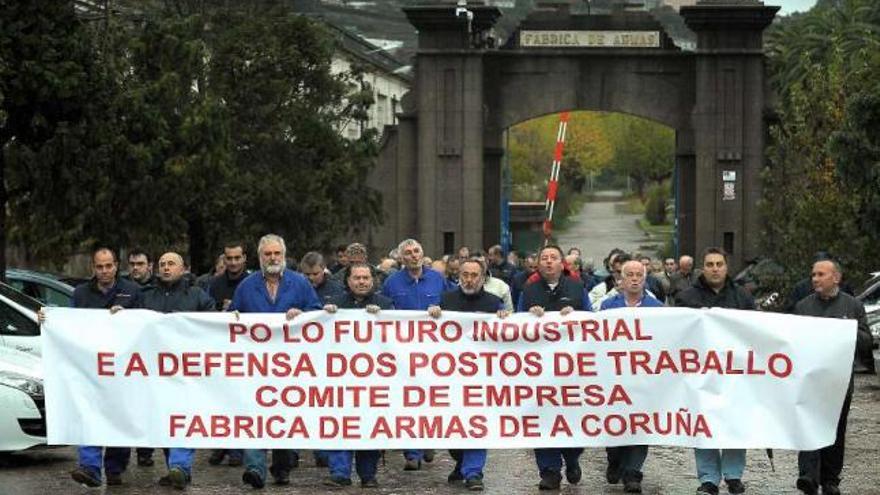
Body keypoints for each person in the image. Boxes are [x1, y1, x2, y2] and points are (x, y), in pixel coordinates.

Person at [232, 234, 322, 489]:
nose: (272, 258)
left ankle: (281, 467)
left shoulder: (300, 283)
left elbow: (317, 315)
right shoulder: (247, 286)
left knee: (283, 416)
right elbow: (231, 318)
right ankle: (255, 469)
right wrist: (234, 317)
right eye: (267, 254)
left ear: (284, 256)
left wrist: (303, 315)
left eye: (276, 254)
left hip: (290, 366)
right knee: (254, 417)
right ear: (260, 257)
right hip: (255, 366)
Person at [126, 252, 214, 489]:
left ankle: (181, 467)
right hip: (154, 371)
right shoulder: (145, 297)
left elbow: (213, 325)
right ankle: (176, 470)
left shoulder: (197, 296)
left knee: (182, 418)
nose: (166, 268)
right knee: (164, 420)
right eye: (162, 264)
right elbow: (129, 325)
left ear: (183, 268)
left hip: (186, 372)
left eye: (171, 264)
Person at [674, 247, 755, 495]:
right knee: (703, 423)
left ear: (726, 267)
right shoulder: (686, 297)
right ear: (703, 268)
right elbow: (676, 332)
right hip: (700, 374)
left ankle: (733, 475)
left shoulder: (742, 297)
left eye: (719, 264)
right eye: (710, 264)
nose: (715, 268)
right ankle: (708, 478)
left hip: (734, 374)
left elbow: (755, 331)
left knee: (734, 422)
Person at [793, 259, 874, 495]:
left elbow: (867, 342)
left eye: (820, 274)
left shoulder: (852, 306)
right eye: (813, 274)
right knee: (808, 426)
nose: (815, 279)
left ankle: (830, 480)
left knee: (835, 430)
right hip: (809, 379)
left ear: (835, 278)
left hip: (839, 383)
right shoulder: (803, 306)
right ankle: (807, 475)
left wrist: (847, 330)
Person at [428, 256, 506, 491]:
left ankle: (474, 473)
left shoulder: (494, 303)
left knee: (477, 424)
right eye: (465, 275)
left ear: (483, 278)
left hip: (482, 378)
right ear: (458, 276)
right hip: (450, 378)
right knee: (453, 428)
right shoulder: (445, 300)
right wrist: (431, 314)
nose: (469, 280)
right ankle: (460, 461)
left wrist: (505, 319)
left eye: (474, 276)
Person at [68, 247, 143, 487]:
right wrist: (48, 319)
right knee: (89, 413)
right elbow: (68, 324)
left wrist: (127, 317)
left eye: (108, 266)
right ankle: (89, 467)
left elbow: (145, 323)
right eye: (99, 267)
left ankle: (114, 467)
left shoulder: (132, 291)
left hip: (123, 367)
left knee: (118, 416)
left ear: (116, 266)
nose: (104, 271)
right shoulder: (80, 294)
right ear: (93, 268)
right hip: (90, 365)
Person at [517, 245, 588, 490]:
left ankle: (572, 457)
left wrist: (577, 316)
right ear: (538, 264)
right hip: (539, 370)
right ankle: (549, 471)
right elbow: (516, 327)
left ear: (562, 264)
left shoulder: (578, 288)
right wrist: (528, 316)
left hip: (573, 370)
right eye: (544, 258)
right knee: (541, 419)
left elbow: (593, 323)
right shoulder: (528, 291)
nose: (548, 262)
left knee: (572, 417)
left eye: (553, 258)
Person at [381, 238, 455, 470]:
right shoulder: (391, 283)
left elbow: (452, 304)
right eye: (409, 253)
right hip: (403, 353)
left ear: (423, 255)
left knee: (431, 399)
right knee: (407, 401)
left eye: (417, 251)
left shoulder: (437, 279)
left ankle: (428, 440)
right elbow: (383, 310)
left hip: (434, 352)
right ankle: (412, 452)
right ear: (401, 258)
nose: (413, 256)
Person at [322, 263, 393, 487]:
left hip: (374, 381)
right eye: (357, 278)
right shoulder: (334, 305)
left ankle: (368, 474)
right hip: (340, 380)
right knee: (340, 424)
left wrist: (382, 317)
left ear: (372, 280)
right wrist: (325, 315)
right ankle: (339, 473)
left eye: (365, 278)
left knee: (370, 426)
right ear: (348, 281)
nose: (361, 282)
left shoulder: (386, 305)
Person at [599, 260, 664, 494]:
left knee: (640, 424)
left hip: (644, 379)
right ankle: (614, 458)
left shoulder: (657, 309)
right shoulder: (607, 307)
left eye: (639, 275)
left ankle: (633, 473)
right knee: (616, 423)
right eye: (630, 275)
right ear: (621, 279)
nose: (635, 279)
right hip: (614, 377)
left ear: (644, 279)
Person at [208, 241, 249, 312]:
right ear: (224, 259)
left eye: (237, 258)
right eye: (229, 258)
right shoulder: (214, 284)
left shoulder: (253, 284)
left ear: (244, 258)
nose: (233, 263)